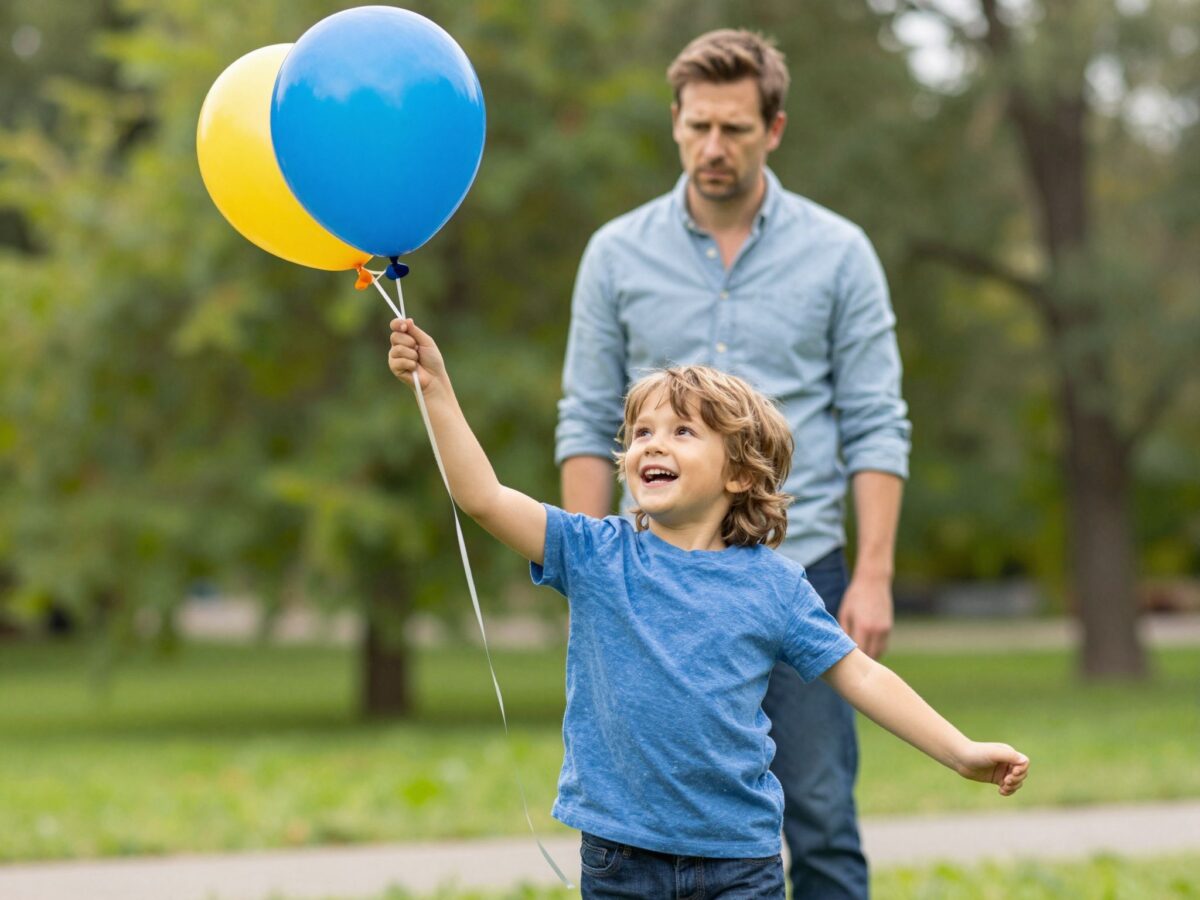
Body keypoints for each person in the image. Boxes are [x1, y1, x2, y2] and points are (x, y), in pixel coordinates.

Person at [388, 319, 1028, 900]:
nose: (652, 446)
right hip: (620, 858)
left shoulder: (773, 587)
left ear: (740, 474)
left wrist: (960, 751)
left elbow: (860, 675)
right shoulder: (597, 553)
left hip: (737, 864)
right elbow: (484, 498)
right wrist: (436, 386)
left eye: (682, 432)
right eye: (642, 433)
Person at [555, 28, 910, 897]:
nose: (714, 147)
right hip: (656, 577)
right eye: (698, 127)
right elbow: (585, 419)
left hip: (807, 567)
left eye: (736, 130)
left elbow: (876, 423)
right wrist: (589, 570)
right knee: (655, 809)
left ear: (774, 128)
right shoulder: (616, 253)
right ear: (676, 123)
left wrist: (871, 574)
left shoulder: (839, 252)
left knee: (820, 808)